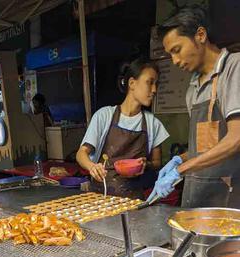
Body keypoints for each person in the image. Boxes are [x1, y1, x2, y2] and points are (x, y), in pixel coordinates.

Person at [148, 6, 240, 208]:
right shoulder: (193, 89)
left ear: (200, 35)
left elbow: (235, 139)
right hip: (197, 197)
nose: (175, 61)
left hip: (230, 199)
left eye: (177, 50)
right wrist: (179, 160)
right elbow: (203, 148)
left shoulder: (234, 68)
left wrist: (181, 170)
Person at [76, 58, 170, 199]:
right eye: (149, 83)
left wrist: (146, 164)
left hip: (134, 200)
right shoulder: (104, 116)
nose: (154, 90)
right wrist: (92, 166)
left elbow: (157, 163)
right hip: (100, 198)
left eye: (156, 84)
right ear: (132, 83)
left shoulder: (153, 124)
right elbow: (81, 153)